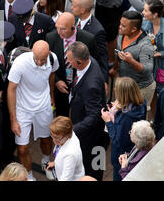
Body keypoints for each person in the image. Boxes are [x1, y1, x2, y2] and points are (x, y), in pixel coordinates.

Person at [7, 40, 59, 181]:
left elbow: (52, 75)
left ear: (48, 54)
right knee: (22, 148)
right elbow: (11, 89)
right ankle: (28, 176)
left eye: (43, 59)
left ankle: (46, 161)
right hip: (23, 109)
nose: (39, 62)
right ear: (31, 52)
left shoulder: (53, 59)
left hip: (43, 107)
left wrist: (51, 96)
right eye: (36, 58)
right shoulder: (20, 63)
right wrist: (13, 119)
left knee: (47, 139)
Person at [66, 41, 108, 180]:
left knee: (94, 169)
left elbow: (94, 116)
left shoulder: (91, 85)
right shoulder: (90, 60)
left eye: (70, 60)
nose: (68, 62)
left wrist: (72, 130)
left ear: (79, 62)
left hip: (93, 136)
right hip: (87, 128)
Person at [46, 12, 99, 117]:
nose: (59, 32)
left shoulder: (88, 39)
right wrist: (56, 81)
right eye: (57, 27)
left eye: (63, 29)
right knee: (62, 115)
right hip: (61, 86)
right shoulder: (50, 37)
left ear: (73, 27)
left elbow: (94, 62)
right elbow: (48, 64)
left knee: (79, 115)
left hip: (80, 85)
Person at [101, 77, 147, 181]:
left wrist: (108, 121)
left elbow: (117, 139)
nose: (114, 90)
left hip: (122, 156)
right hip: (135, 148)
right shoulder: (141, 102)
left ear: (123, 95)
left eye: (117, 89)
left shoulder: (126, 117)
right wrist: (118, 108)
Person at [110, 11, 155, 114]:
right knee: (121, 114)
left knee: (137, 118)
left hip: (140, 88)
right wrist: (115, 68)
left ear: (134, 29)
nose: (119, 27)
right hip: (124, 85)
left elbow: (147, 70)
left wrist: (131, 61)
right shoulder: (122, 35)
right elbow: (118, 52)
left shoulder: (145, 45)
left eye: (123, 26)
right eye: (120, 23)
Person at [71, 0, 108, 81]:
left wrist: (104, 80)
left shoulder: (97, 31)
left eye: (74, 6)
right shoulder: (74, 20)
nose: (71, 7)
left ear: (82, 10)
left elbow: (102, 57)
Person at [47, 116, 85, 181]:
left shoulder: (70, 155)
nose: (53, 140)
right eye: (52, 135)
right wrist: (55, 163)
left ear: (67, 135)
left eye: (57, 138)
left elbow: (65, 179)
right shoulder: (69, 134)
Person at [142, 0, 164, 97]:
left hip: (161, 66)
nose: (143, 13)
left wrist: (160, 53)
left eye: (146, 11)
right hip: (148, 66)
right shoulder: (144, 25)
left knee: (160, 94)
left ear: (155, 14)